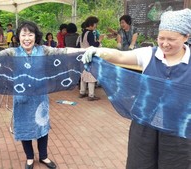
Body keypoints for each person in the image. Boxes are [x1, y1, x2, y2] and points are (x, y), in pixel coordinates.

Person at [81, 9, 191, 169]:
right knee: (140, 163)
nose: (165, 44)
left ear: (186, 37)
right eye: (161, 38)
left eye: (171, 39)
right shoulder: (150, 55)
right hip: (144, 124)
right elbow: (120, 56)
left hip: (179, 129)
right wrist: (98, 51)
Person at [0, 21, 87, 169]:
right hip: (21, 97)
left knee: (42, 127)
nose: (27, 38)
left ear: (36, 36)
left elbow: (62, 52)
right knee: (24, 127)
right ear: (18, 37)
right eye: (23, 35)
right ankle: (29, 157)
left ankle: (44, 156)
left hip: (40, 97)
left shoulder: (43, 50)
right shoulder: (13, 53)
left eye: (30, 34)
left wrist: (84, 51)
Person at [79, 16, 102, 101]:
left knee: (83, 75)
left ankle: (82, 92)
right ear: (92, 24)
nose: (96, 26)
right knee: (91, 75)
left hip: (82, 55)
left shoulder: (82, 34)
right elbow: (93, 45)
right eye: (95, 24)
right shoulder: (90, 33)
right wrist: (99, 40)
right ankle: (91, 95)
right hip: (90, 56)